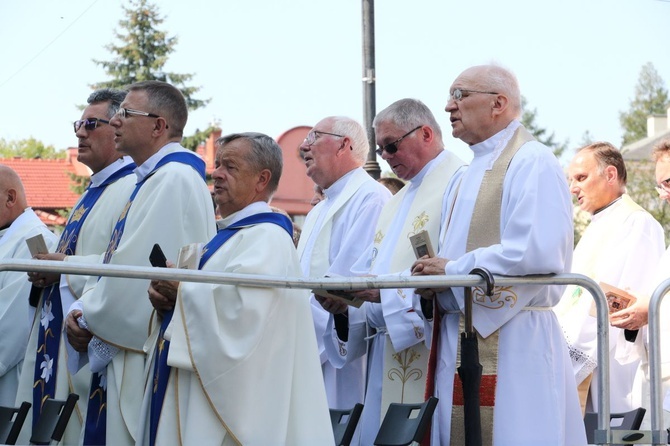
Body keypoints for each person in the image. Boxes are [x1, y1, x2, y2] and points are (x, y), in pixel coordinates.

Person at [411, 64, 586, 445]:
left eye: (460, 95)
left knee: (516, 432)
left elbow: (535, 251)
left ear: (498, 103)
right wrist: (434, 282)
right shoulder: (464, 174)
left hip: (516, 341)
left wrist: (452, 272)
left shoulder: (532, 160)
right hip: (462, 333)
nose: (448, 107)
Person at [137, 132, 333, 445]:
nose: (217, 174)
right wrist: (166, 300)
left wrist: (183, 293)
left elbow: (244, 317)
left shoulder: (267, 239)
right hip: (195, 388)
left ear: (261, 179)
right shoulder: (228, 237)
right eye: (217, 165)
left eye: (230, 167)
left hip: (236, 404)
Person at [64, 80, 216, 446]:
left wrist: (86, 313)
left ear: (159, 126)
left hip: (142, 351)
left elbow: (134, 274)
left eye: (126, 114)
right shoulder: (153, 178)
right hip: (132, 346)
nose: (115, 121)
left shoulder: (172, 179)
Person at [317, 99, 464, 445]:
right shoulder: (395, 201)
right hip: (386, 350)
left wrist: (382, 295)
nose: (385, 156)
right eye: (381, 149)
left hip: (432, 348)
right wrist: (344, 303)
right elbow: (369, 272)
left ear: (426, 133)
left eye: (392, 145)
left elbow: (453, 276)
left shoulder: (459, 184)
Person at [16, 88, 137, 445]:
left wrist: (65, 267)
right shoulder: (93, 189)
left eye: (90, 124)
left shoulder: (132, 187)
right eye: (78, 124)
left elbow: (128, 265)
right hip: (53, 341)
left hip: (88, 343)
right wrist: (49, 274)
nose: (79, 132)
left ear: (117, 129)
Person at [555, 142, 664, 418]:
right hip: (591, 354)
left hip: (616, 363)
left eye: (581, 178)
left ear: (610, 175)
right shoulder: (596, 226)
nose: (573, 188)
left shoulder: (636, 223)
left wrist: (565, 350)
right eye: (571, 180)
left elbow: (613, 301)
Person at [297, 116, 391, 412]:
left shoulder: (371, 198)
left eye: (314, 136)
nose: (303, 146)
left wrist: (291, 330)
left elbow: (345, 285)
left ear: (344, 145)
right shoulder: (319, 209)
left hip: (340, 353)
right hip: (305, 342)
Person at [0, 166, 58, 406]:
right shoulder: (8, 235)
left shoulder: (33, 240)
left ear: (10, 198)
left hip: (11, 377)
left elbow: (10, 324)